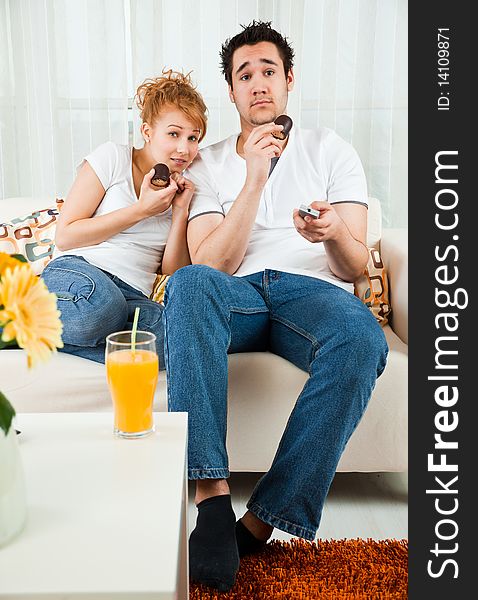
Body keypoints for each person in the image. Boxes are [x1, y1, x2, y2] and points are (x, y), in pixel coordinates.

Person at [163, 21, 389, 592]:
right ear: (232, 92)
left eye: (268, 71)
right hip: (235, 293)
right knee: (189, 286)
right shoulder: (208, 163)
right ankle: (212, 501)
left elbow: (355, 266)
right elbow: (208, 265)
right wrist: (254, 180)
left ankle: (260, 522)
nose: (258, 83)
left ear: (288, 81)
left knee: (362, 337)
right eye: (245, 75)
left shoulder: (329, 149)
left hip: (309, 295)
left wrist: (335, 231)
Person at [42, 70, 207, 364]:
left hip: (132, 295)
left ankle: (36, 335)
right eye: (174, 133)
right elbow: (66, 236)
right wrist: (142, 210)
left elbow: (171, 271)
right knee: (103, 307)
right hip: (79, 275)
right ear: (147, 132)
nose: (185, 148)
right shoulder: (113, 158)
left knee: (175, 337)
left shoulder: (185, 187)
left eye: (193, 137)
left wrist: (180, 211)